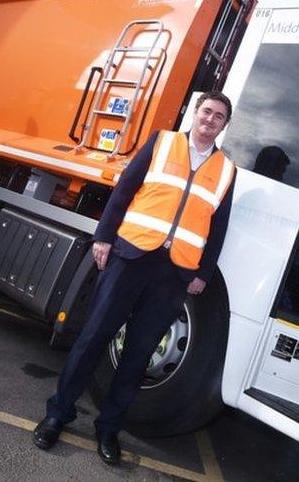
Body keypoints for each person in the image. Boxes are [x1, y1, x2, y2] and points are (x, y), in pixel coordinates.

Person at [32, 91, 237, 465]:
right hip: (131, 256)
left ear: (225, 124)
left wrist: (203, 274)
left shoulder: (226, 169)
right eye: (206, 111)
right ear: (195, 112)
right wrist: (104, 237)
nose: (210, 119)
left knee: (138, 355)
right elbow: (125, 188)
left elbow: (218, 226)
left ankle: (109, 428)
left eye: (218, 116)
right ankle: (56, 415)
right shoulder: (162, 142)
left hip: (175, 273)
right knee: (93, 337)